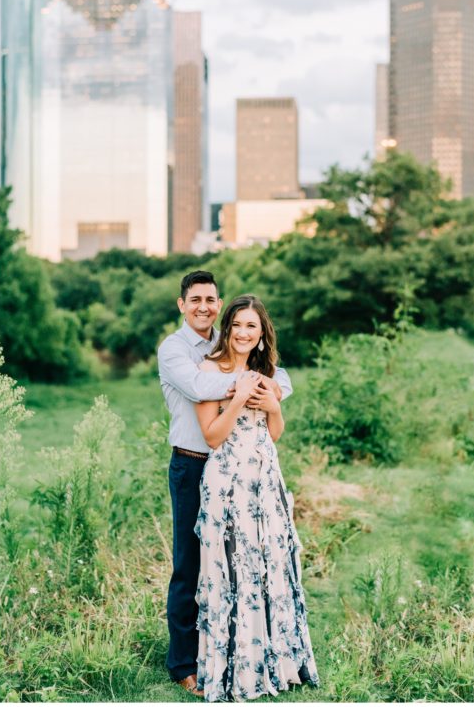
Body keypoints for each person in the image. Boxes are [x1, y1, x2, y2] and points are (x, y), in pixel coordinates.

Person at [158, 271, 293, 697]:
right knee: (191, 565)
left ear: (220, 305)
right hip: (194, 464)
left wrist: (274, 388)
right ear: (181, 304)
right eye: (195, 299)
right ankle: (184, 664)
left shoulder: (229, 339)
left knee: (238, 566)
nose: (204, 306)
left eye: (211, 300)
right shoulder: (177, 351)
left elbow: (273, 371)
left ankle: (233, 651)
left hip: (242, 473)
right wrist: (256, 385)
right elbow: (201, 386)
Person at [193, 294, 319, 702]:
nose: (244, 333)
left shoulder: (273, 375)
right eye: (237, 325)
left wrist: (271, 406)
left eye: (252, 326)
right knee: (231, 569)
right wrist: (239, 397)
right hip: (227, 480)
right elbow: (212, 436)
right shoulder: (209, 371)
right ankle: (231, 666)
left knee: (269, 566)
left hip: (265, 481)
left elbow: (274, 433)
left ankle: (274, 662)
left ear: (262, 335)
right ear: (226, 329)